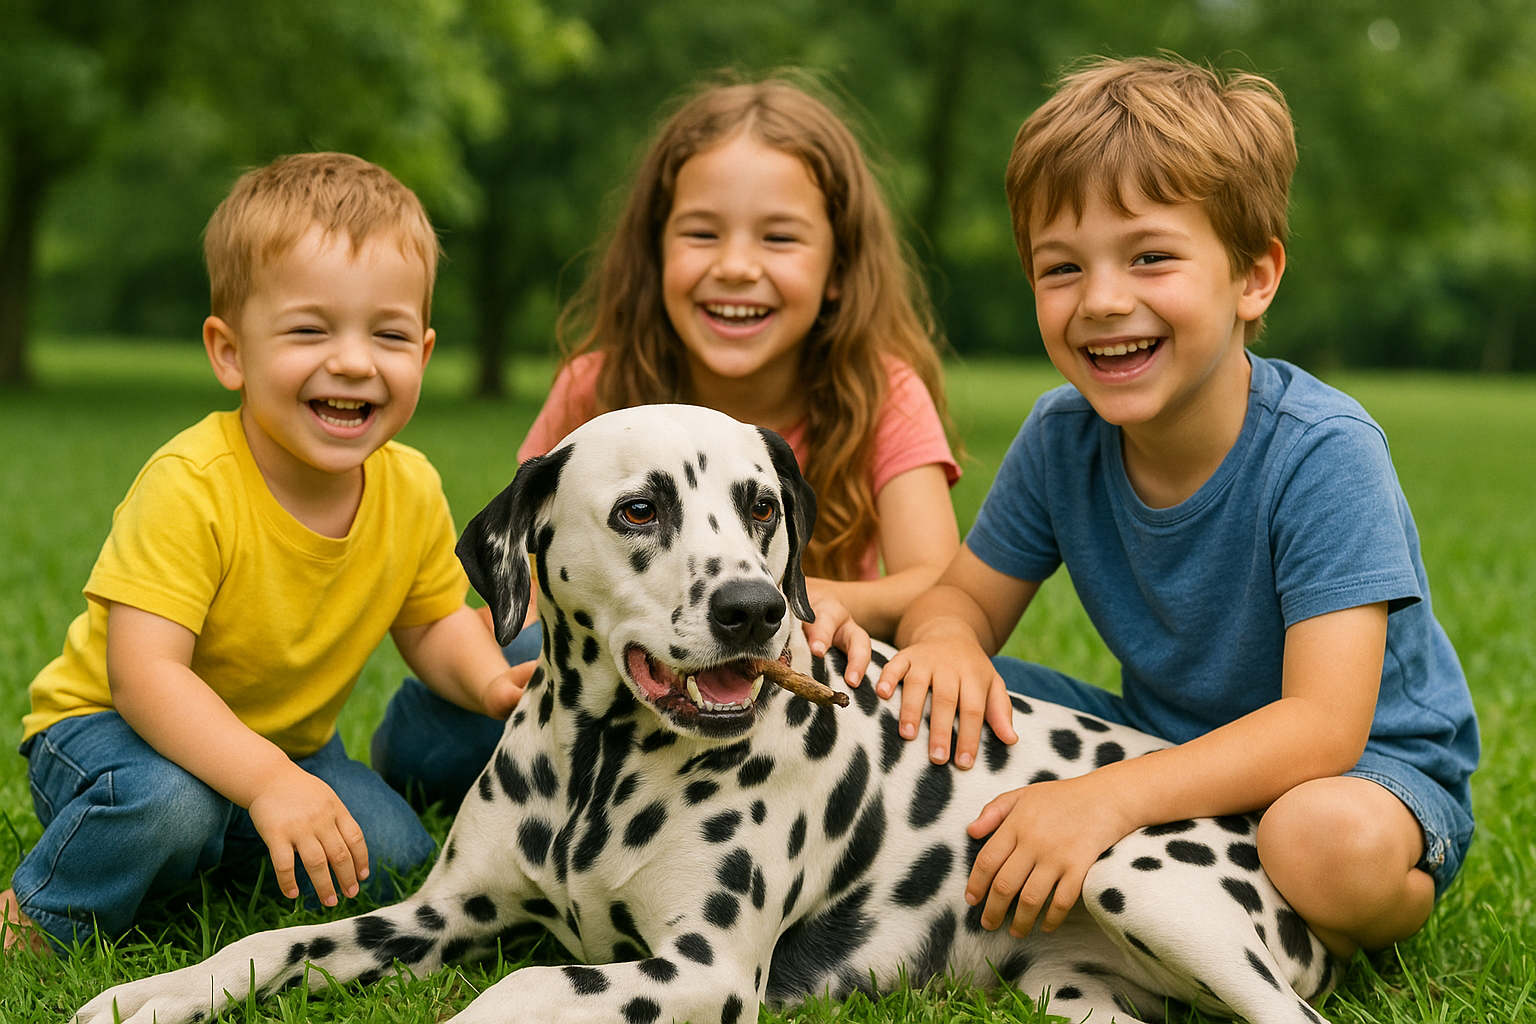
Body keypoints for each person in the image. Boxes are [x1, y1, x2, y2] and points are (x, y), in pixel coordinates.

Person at [879, 56, 1479, 961]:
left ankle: (1327, 919)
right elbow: (959, 600)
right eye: (1061, 268)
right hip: (1160, 740)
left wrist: (1110, 799)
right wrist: (947, 646)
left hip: (1358, 774)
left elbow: (1322, 725)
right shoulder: (1061, 437)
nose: (1104, 301)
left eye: (1151, 256)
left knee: (1321, 847)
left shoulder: (1323, 450)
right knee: (906, 698)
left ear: (1254, 278)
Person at [371, 78, 963, 809]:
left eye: (778, 237)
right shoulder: (600, 385)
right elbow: (536, 565)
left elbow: (935, 578)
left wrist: (816, 601)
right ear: (655, 255)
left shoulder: (881, 392)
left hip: (813, 693)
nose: (737, 265)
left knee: (957, 688)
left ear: (839, 269)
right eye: (703, 233)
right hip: (636, 662)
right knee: (426, 734)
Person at [0, 153, 524, 954]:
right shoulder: (193, 485)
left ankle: (208, 853)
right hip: (113, 736)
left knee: (393, 860)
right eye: (310, 329)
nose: (352, 360)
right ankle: (44, 912)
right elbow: (145, 678)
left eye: (386, 334)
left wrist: (489, 681)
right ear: (230, 351)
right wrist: (272, 783)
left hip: (289, 746)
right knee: (169, 803)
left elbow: (433, 621)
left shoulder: (410, 486)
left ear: (420, 355)